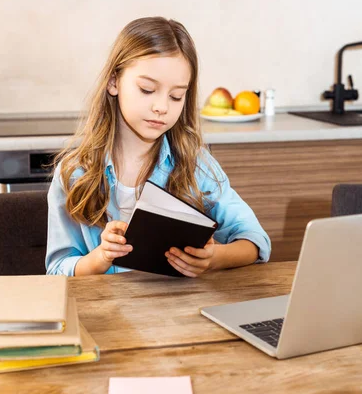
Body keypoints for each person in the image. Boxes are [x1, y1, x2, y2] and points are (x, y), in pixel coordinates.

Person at [46, 16, 271, 278]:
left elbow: (255, 241)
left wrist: (213, 258)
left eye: (176, 96)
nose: (162, 107)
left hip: (172, 316)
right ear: (114, 82)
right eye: (147, 89)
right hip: (101, 316)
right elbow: (57, 270)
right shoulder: (75, 173)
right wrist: (101, 258)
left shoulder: (195, 165)